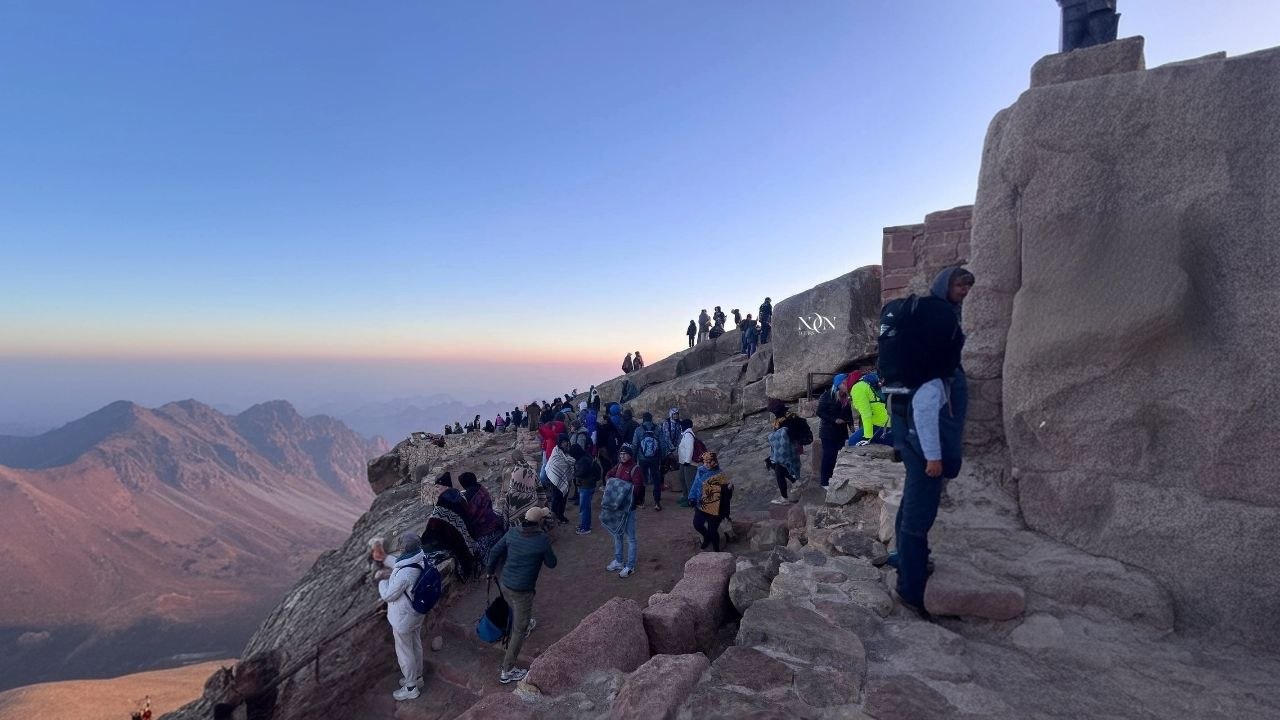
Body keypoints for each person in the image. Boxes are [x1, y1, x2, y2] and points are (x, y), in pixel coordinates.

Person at [892, 266, 973, 618]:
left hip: (913, 443)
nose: (964, 291)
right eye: (959, 284)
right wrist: (934, 457)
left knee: (910, 504)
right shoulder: (936, 372)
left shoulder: (930, 363)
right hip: (925, 450)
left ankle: (904, 559)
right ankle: (911, 589)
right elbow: (925, 412)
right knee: (918, 518)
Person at [485, 506, 557, 685]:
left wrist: (489, 572)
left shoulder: (512, 532)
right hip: (522, 589)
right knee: (519, 630)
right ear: (540, 521)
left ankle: (525, 620)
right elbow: (552, 563)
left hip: (506, 582)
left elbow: (494, 551)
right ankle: (507, 670)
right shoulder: (542, 539)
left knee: (518, 605)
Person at [376, 531, 426, 701]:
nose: (399, 548)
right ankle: (417, 678)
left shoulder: (405, 574)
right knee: (416, 645)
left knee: (404, 652)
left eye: (401, 546)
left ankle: (411, 687)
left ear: (405, 549)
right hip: (417, 613)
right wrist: (385, 558)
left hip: (404, 618)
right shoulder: (421, 557)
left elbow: (389, 595)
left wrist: (382, 582)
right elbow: (401, 563)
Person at [602, 444, 644, 578]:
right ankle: (619, 561)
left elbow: (637, 488)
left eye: (625, 454)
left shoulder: (635, 469)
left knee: (631, 538)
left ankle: (630, 566)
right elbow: (608, 475)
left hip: (629, 508)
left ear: (630, 455)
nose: (622, 456)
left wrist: (619, 488)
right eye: (621, 454)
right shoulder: (619, 466)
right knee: (617, 533)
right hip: (617, 507)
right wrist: (614, 484)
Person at [765, 400, 811, 504]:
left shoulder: (783, 422)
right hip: (794, 448)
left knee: (778, 471)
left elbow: (784, 438)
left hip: (787, 450)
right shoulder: (791, 416)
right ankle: (795, 482)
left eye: (773, 412)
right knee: (776, 465)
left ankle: (784, 498)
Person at [688, 452, 731, 551]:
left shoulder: (720, 474)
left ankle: (716, 550)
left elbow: (726, 495)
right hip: (700, 504)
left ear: (714, 462)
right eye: (705, 462)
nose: (706, 464)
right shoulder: (700, 470)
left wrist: (728, 489)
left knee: (713, 530)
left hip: (714, 507)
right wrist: (692, 497)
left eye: (709, 462)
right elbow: (696, 484)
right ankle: (706, 536)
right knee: (697, 524)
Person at [817, 373, 856, 486]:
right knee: (829, 456)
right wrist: (834, 420)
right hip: (828, 432)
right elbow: (819, 412)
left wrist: (851, 426)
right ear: (838, 384)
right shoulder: (827, 395)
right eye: (844, 382)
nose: (847, 384)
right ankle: (825, 482)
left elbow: (848, 413)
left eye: (847, 382)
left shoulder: (847, 396)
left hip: (842, 432)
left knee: (840, 456)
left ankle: (836, 479)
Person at [631, 411, 672, 510]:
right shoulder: (657, 428)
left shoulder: (638, 429)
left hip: (642, 458)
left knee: (641, 479)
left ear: (643, 419)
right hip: (655, 458)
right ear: (651, 419)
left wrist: (634, 458)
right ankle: (657, 502)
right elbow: (662, 444)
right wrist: (662, 457)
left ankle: (641, 501)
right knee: (656, 480)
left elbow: (635, 445)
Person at [459, 472, 504, 561]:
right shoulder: (481, 488)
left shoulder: (468, 497)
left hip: (482, 531)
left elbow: (466, 517)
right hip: (492, 521)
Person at [502, 448, 547, 529]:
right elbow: (539, 486)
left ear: (514, 459)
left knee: (510, 500)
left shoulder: (515, 472)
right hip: (532, 501)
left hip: (518, 503)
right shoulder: (531, 469)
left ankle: (515, 527)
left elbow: (512, 490)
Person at [851, 372, 891, 445]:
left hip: (882, 424)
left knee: (853, 442)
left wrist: (867, 437)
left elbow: (866, 414)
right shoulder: (868, 384)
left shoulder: (857, 388)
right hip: (888, 421)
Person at [571, 443, 602, 535]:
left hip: (586, 486)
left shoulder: (583, 460)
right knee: (585, 507)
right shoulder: (586, 455)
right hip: (588, 485)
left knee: (584, 507)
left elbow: (581, 472)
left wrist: (573, 473)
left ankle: (585, 527)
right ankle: (584, 524)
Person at [545, 433, 575, 524]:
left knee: (563, 498)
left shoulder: (568, 451)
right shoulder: (556, 452)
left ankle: (561, 516)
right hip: (554, 478)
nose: (565, 444)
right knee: (556, 497)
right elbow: (552, 465)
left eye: (566, 441)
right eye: (563, 442)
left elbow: (571, 463)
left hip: (566, 479)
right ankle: (554, 516)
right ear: (559, 443)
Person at [676, 419, 704, 508]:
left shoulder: (688, 435)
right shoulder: (686, 434)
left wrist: (687, 461)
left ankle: (691, 500)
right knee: (683, 479)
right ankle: (686, 496)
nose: (680, 427)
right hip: (684, 462)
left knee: (690, 482)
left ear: (685, 426)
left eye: (682, 425)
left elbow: (690, 448)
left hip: (689, 463)